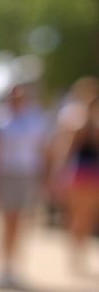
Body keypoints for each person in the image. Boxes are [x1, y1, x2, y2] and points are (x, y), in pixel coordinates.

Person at [0, 83, 52, 287]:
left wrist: (45, 179)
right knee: (7, 220)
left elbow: (43, 150)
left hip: (27, 174)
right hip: (5, 174)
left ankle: (13, 265)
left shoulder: (35, 118)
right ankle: (3, 265)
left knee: (20, 221)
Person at [52, 76, 99, 275]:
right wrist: (59, 170)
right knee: (76, 215)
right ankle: (74, 253)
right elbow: (67, 147)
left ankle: (80, 251)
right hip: (79, 171)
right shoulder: (72, 116)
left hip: (94, 171)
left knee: (89, 216)